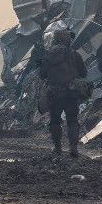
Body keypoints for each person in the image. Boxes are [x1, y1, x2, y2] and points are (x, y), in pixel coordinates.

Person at [36, 27, 88, 158]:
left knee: (54, 120)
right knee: (72, 119)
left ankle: (58, 148)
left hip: (54, 92)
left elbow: (42, 75)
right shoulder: (74, 54)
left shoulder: (48, 55)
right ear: (67, 40)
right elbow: (84, 73)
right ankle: (73, 149)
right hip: (70, 92)